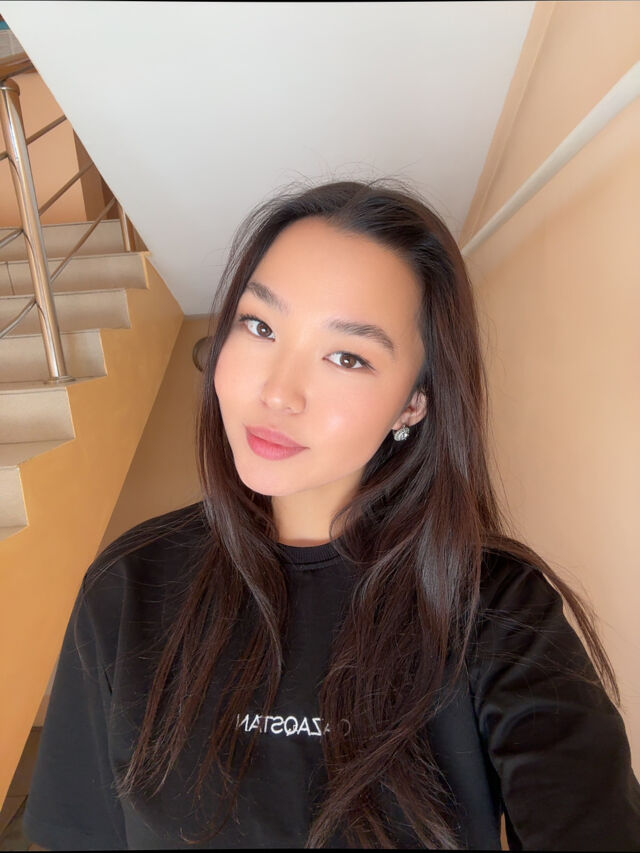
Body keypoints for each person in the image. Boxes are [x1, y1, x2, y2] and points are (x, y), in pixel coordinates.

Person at [23, 179, 640, 850]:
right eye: (260, 326)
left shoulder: (492, 601)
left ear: (414, 403)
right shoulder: (129, 582)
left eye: (347, 357)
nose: (278, 392)